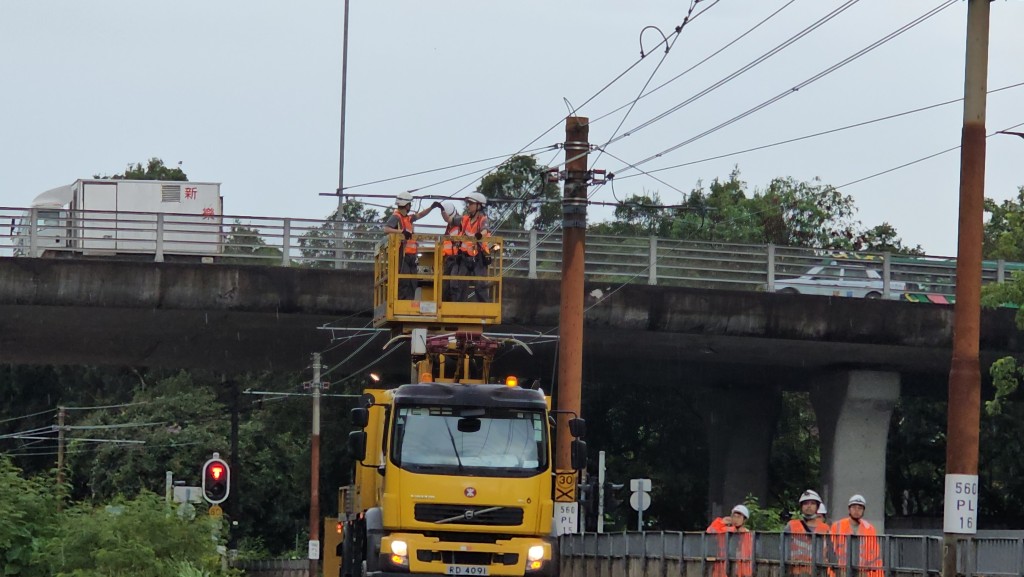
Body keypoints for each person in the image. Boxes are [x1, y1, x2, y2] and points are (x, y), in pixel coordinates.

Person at [383, 192, 439, 300]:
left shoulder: (407, 218)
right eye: (409, 204)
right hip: (402, 254)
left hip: (411, 256)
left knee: (412, 281)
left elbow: (420, 215)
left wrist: (431, 208)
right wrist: (401, 231)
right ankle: (402, 302)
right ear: (406, 204)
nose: (410, 206)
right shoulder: (396, 216)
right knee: (404, 281)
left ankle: (409, 303)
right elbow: (386, 229)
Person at [441, 192, 491, 302]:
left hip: (478, 257)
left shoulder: (483, 219)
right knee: (460, 283)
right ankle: (459, 307)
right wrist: (443, 210)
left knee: (480, 285)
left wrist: (479, 235)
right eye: (468, 203)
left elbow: (485, 230)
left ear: (479, 206)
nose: (468, 205)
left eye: (471, 203)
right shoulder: (465, 219)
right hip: (464, 257)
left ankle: (485, 309)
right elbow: (450, 220)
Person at [829, 495, 882, 577]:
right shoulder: (837, 526)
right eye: (854, 507)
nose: (856, 510)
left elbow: (874, 554)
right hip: (840, 571)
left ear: (863, 511)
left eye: (860, 508)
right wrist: (835, 571)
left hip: (862, 572)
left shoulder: (869, 528)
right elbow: (830, 550)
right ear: (849, 509)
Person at [785, 490, 830, 576]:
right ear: (801, 506)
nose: (809, 506)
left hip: (819, 573)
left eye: (812, 503)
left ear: (817, 507)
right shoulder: (791, 525)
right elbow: (783, 549)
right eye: (805, 503)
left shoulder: (825, 528)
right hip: (795, 573)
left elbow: (830, 552)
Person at [706, 504, 753, 577]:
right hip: (722, 569)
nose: (736, 519)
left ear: (744, 519)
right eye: (734, 516)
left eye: (739, 517)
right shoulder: (726, 531)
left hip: (741, 571)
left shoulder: (749, 535)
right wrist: (721, 522)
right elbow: (709, 531)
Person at [439, 200, 462, 302]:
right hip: (448, 259)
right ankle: (445, 303)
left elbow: (457, 220)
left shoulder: (460, 221)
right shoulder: (449, 228)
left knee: (454, 283)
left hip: (458, 259)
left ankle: (455, 304)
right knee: (445, 285)